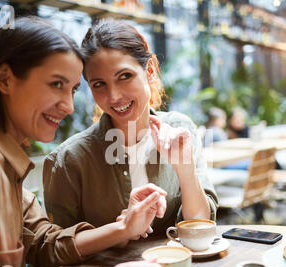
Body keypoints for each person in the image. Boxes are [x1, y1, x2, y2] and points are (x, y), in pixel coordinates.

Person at [0, 17, 164, 267]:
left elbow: (45, 244)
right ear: (5, 79)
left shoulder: (3, 163)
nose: (68, 106)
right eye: (56, 84)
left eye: (73, 90)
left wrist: (124, 228)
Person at [43, 19, 218, 242]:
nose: (114, 96)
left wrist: (185, 171)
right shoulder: (69, 160)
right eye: (99, 84)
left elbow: (200, 226)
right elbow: (58, 249)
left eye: (124, 76)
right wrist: (118, 232)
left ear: (150, 70)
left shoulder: (180, 129)